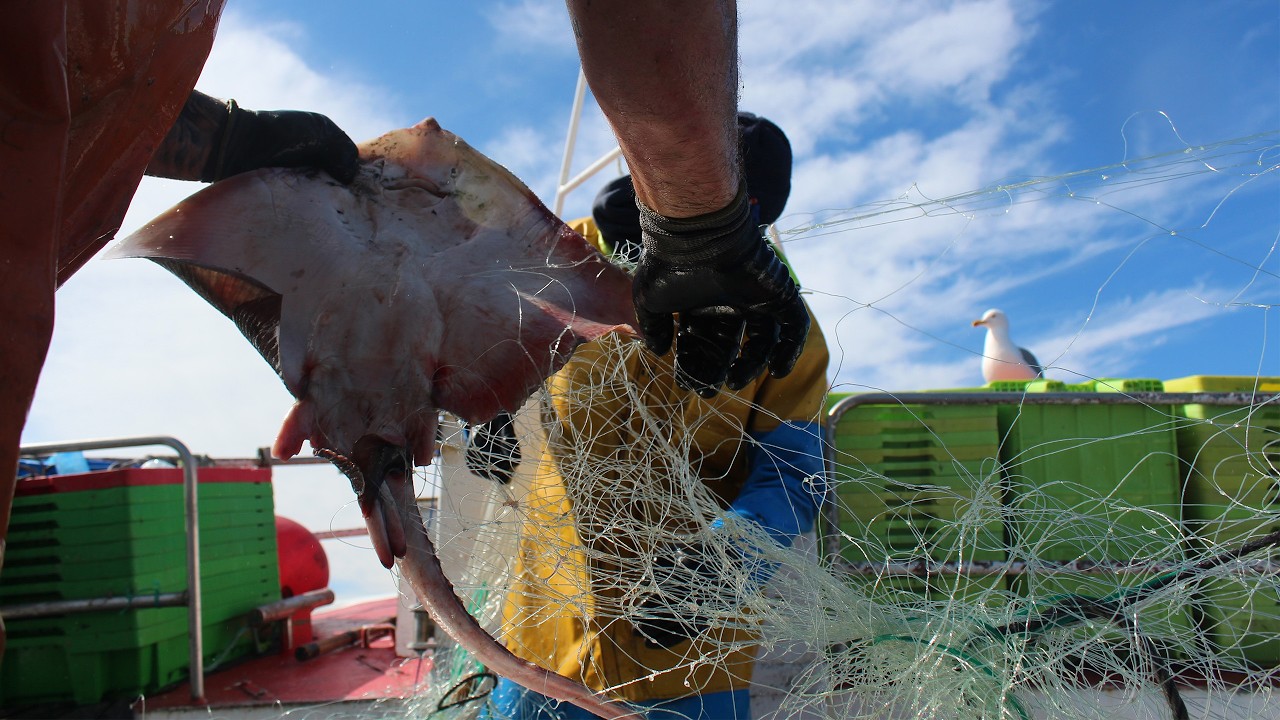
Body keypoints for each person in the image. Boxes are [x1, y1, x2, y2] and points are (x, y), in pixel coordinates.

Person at [469, 113, 829, 720]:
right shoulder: (555, 258)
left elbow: (796, 477)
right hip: (542, 645)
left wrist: (723, 565)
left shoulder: (782, 326)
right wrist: (487, 407)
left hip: (689, 663)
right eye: (659, 181)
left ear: (754, 213)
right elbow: (477, 338)